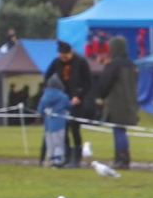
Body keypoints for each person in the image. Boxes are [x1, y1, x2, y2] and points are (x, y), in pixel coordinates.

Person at [45, 40, 92, 168]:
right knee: (62, 130)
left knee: (75, 129)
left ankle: (76, 158)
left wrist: (79, 96)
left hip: (76, 101)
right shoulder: (56, 63)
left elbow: (88, 82)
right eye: (61, 55)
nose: (63, 58)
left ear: (71, 52)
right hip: (61, 102)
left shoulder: (81, 62)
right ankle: (65, 155)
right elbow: (47, 78)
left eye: (65, 55)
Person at [95, 36, 139, 170]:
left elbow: (104, 84)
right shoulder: (132, 64)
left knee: (118, 130)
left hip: (116, 102)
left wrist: (101, 96)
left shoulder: (113, 65)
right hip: (130, 101)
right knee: (122, 130)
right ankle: (124, 158)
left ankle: (121, 159)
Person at [37, 75, 72, 167]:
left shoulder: (45, 95)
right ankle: (58, 161)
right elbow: (69, 106)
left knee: (50, 142)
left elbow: (40, 109)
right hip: (59, 123)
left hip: (48, 124)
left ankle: (51, 159)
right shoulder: (63, 96)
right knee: (59, 142)